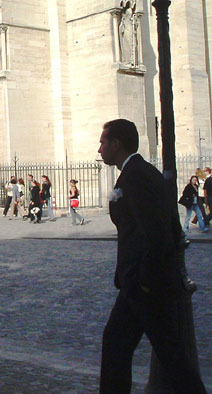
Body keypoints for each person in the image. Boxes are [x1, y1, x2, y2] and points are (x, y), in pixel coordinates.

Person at [97, 118, 206, 394]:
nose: (99, 149)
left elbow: (156, 233)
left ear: (116, 144)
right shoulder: (137, 172)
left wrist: (142, 281)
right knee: (122, 345)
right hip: (139, 284)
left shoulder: (137, 176)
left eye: (103, 142)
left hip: (146, 286)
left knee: (168, 355)